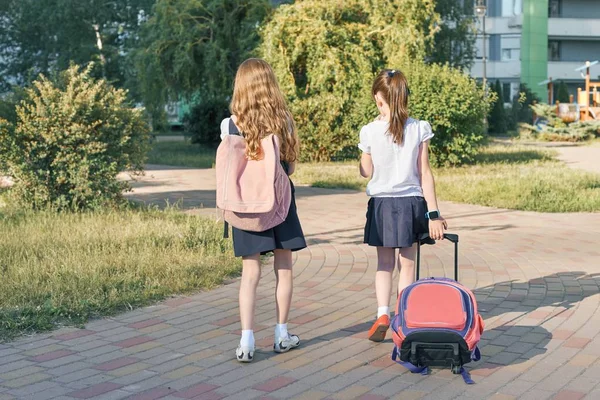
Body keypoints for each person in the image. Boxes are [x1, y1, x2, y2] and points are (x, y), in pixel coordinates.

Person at [220, 58, 307, 362]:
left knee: (250, 271)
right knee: (283, 266)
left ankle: (246, 342)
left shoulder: (229, 124)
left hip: (246, 205)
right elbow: (291, 166)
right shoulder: (284, 121)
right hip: (279, 202)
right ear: (270, 84)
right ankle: (282, 335)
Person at [358, 69, 448, 342]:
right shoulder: (419, 128)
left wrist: (367, 151)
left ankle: (383, 314)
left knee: (384, 264)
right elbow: (425, 173)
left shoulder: (370, 130)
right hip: (412, 204)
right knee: (407, 266)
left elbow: (365, 171)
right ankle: (403, 317)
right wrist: (433, 214)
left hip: (382, 205)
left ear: (378, 99)